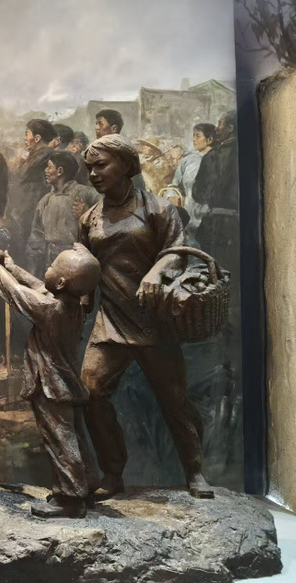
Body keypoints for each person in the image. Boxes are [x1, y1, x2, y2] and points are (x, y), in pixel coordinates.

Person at [78, 134, 213, 501]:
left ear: (126, 165)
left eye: (101, 165)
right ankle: (113, 473)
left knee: (174, 400)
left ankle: (195, 470)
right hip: (110, 322)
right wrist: (81, 294)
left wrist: (157, 271)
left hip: (155, 321)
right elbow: (86, 263)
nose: (93, 174)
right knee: (91, 393)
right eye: (89, 168)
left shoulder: (157, 209)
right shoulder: (90, 218)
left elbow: (179, 251)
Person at [0, 244, 101, 518]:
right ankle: (86, 486)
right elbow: (39, 286)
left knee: (59, 441)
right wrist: (12, 267)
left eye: (51, 266)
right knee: (74, 438)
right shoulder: (72, 305)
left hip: (51, 387)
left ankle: (70, 499)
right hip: (66, 387)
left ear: (60, 282)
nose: (46, 268)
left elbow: (17, 293)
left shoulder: (51, 309)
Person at [28, 150, 100, 275]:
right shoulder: (45, 200)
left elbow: (110, 219)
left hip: (79, 263)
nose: (46, 170)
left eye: (49, 167)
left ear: (60, 171)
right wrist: (33, 269)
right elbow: (36, 236)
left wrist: (87, 213)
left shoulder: (88, 194)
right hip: (50, 263)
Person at [192, 111, 238, 277]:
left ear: (230, 128)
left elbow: (198, 193)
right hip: (242, 224)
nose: (217, 128)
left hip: (218, 224)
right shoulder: (251, 152)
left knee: (218, 272)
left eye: (220, 124)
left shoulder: (212, 157)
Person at [6, 119, 57, 263]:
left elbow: (20, 177)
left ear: (37, 138)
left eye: (27, 134)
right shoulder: (37, 155)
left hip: (30, 208)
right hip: (26, 208)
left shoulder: (44, 154)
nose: (24, 138)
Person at [170, 123, 215, 233]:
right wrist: (172, 196)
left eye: (198, 136)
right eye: (193, 136)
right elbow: (174, 185)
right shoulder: (188, 160)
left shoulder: (217, 159)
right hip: (189, 218)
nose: (194, 139)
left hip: (211, 219)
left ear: (210, 139)